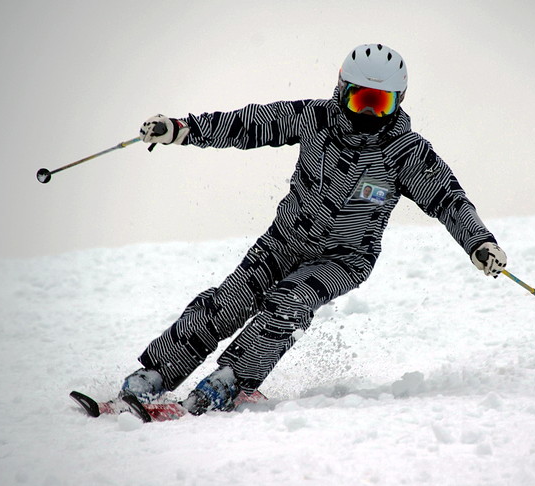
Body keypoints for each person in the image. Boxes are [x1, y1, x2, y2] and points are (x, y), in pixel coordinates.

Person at [123, 43, 507, 414]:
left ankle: (229, 382)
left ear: (398, 101)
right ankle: (153, 376)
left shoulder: (404, 152)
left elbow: (448, 199)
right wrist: (183, 129)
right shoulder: (314, 118)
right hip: (285, 240)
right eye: (361, 100)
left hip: (343, 259)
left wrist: (480, 243)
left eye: (381, 103)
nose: (370, 113)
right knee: (229, 300)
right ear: (341, 90)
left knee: (288, 302)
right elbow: (248, 125)